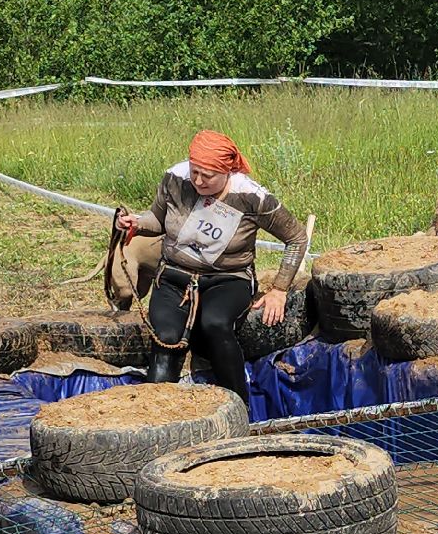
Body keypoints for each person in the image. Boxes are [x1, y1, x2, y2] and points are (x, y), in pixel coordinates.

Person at [113, 130, 309, 397]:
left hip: (228, 279)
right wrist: (136, 223)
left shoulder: (252, 197)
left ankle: (239, 406)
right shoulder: (175, 178)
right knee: (166, 337)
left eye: (208, 176)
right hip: (173, 276)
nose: (198, 180)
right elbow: (158, 219)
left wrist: (279, 289)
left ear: (227, 171)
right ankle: (155, 413)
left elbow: (296, 238)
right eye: (195, 172)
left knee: (214, 324)